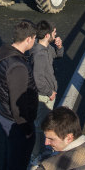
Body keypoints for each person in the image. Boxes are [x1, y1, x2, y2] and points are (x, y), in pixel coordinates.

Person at [0, 20, 39, 170]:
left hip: (5, 115)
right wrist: (27, 129)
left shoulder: (5, 53)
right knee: (18, 163)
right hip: (16, 123)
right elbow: (17, 103)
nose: (34, 41)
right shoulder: (17, 66)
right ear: (28, 39)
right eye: (34, 39)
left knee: (10, 158)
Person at [30, 21, 64, 160]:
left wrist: (59, 47)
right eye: (54, 32)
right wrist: (50, 92)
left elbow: (58, 55)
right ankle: (35, 155)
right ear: (47, 35)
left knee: (44, 124)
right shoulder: (39, 55)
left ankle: (42, 149)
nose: (56, 34)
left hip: (48, 94)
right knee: (40, 126)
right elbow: (38, 79)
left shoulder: (46, 48)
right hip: (43, 96)